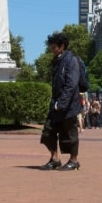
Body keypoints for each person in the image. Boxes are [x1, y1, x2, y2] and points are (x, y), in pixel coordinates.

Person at [40, 31, 84, 169]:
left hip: (69, 104)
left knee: (70, 133)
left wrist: (62, 103)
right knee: (48, 131)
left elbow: (71, 84)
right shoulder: (57, 61)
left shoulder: (71, 60)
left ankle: (74, 161)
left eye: (54, 47)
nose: (52, 50)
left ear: (62, 46)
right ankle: (54, 159)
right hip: (56, 103)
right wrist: (56, 103)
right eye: (51, 47)